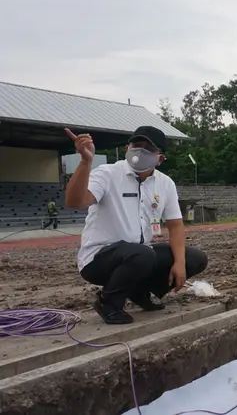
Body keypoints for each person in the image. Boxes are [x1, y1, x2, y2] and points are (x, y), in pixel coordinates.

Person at [64, 126, 209, 325]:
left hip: (138, 256)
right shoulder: (107, 174)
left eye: (149, 148)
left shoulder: (165, 184)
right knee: (141, 254)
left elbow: (175, 226)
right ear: (127, 148)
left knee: (195, 258)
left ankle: (139, 292)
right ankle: (109, 303)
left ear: (160, 158)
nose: (141, 152)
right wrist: (85, 161)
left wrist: (180, 263)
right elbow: (75, 201)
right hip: (100, 258)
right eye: (136, 145)